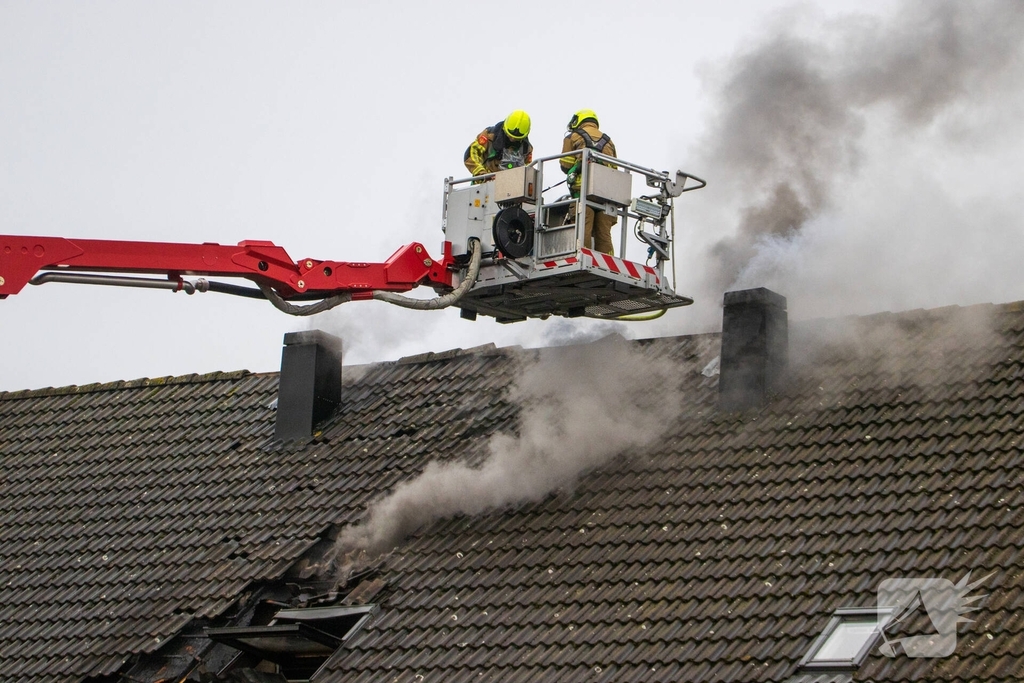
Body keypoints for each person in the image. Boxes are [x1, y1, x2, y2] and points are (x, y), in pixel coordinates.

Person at [560, 109, 618, 255]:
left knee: (583, 226)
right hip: (607, 195)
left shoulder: (573, 136)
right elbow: (615, 168)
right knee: (604, 233)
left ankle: (581, 257)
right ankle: (607, 263)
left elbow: (565, 165)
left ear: (578, 120)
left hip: (582, 191)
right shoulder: (608, 141)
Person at [464, 110, 533, 177]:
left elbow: (527, 171)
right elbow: (471, 155)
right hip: (485, 184)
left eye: (516, 138)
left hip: (511, 186)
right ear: (504, 127)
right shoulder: (489, 136)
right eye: (509, 136)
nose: (512, 139)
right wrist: (483, 175)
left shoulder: (526, 149)